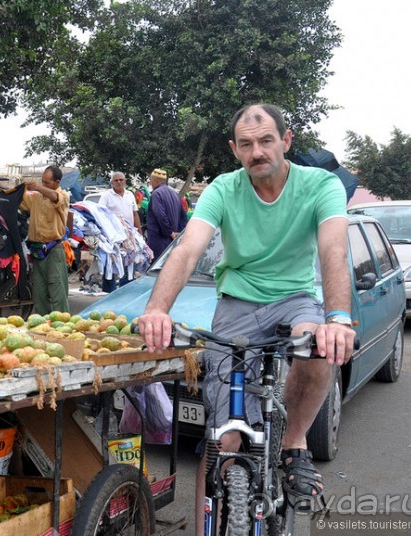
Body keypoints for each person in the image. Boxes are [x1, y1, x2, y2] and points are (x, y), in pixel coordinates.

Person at [137, 103, 355, 535]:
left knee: (318, 346)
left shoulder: (320, 185)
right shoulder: (223, 189)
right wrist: (156, 310)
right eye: (248, 144)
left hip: (295, 297)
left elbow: (333, 249)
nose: (258, 152)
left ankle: (293, 443)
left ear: (286, 140)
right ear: (235, 149)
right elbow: (186, 250)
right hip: (236, 304)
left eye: (267, 140)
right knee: (223, 441)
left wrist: (338, 317)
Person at [21, 165, 70, 314]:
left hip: (54, 249)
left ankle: (62, 324)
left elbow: (55, 198)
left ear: (57, 182)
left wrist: (37, 187)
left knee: (57, 290)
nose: (43, 185)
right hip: (37, 249)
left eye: (47, 183)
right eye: (42, 182)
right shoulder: (35, 197)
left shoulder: (63, 196)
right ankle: (43, 323)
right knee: (39, 292)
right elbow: (18, 197)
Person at [98, 171, 141, 292]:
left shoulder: (130, 195)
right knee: (111, 262)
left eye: (121, 180)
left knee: (129, 260)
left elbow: (135, 214)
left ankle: (125, 288)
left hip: (129, 235)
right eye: (116, 180)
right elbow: (101, 215)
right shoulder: (106, 196)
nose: (118, 182)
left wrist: (140, 234)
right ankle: (109, 291)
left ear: (125, 181)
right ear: (111, 182)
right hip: (112, 235)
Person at [146, 168, 188, 259]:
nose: (150, 183)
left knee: (156, 269)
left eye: (151, 180)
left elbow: (160, 215)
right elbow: (184, 216)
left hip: (159, 240)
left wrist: (170, 232)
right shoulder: (175, 194)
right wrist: (178, 233)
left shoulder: (156, 194)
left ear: (156, 180)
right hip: (173, 240)